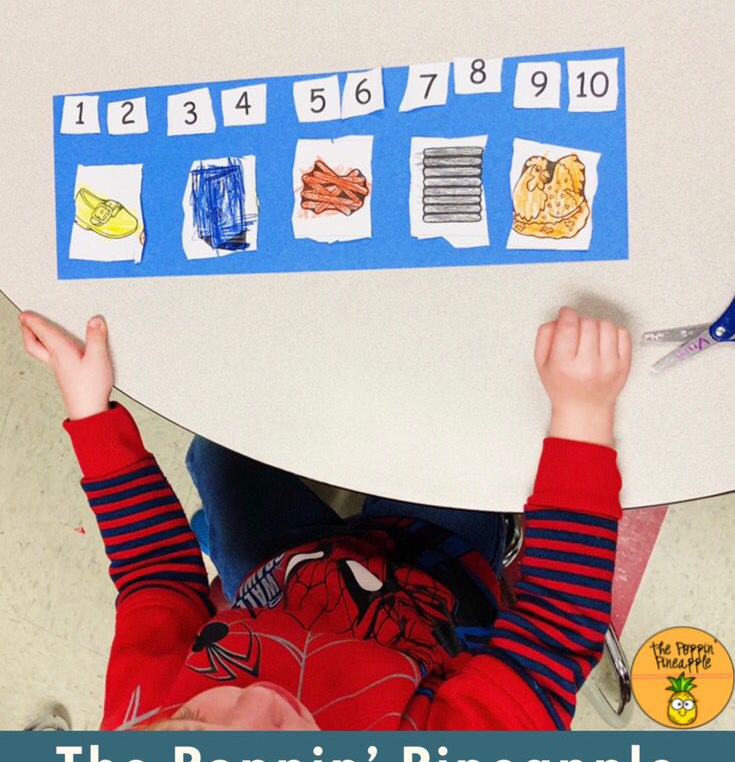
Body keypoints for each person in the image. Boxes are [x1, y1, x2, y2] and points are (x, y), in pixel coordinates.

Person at [19, 305, 630, 731]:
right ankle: (498, 533)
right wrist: (583, 413)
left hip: (275, 580)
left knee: (218, 442)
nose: (259, 696)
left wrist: (93, 417)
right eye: (289, 738)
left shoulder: (138, 730)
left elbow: (154, 576)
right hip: (436, 578)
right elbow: (556, 629)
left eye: (197, 714)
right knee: (453, 404)